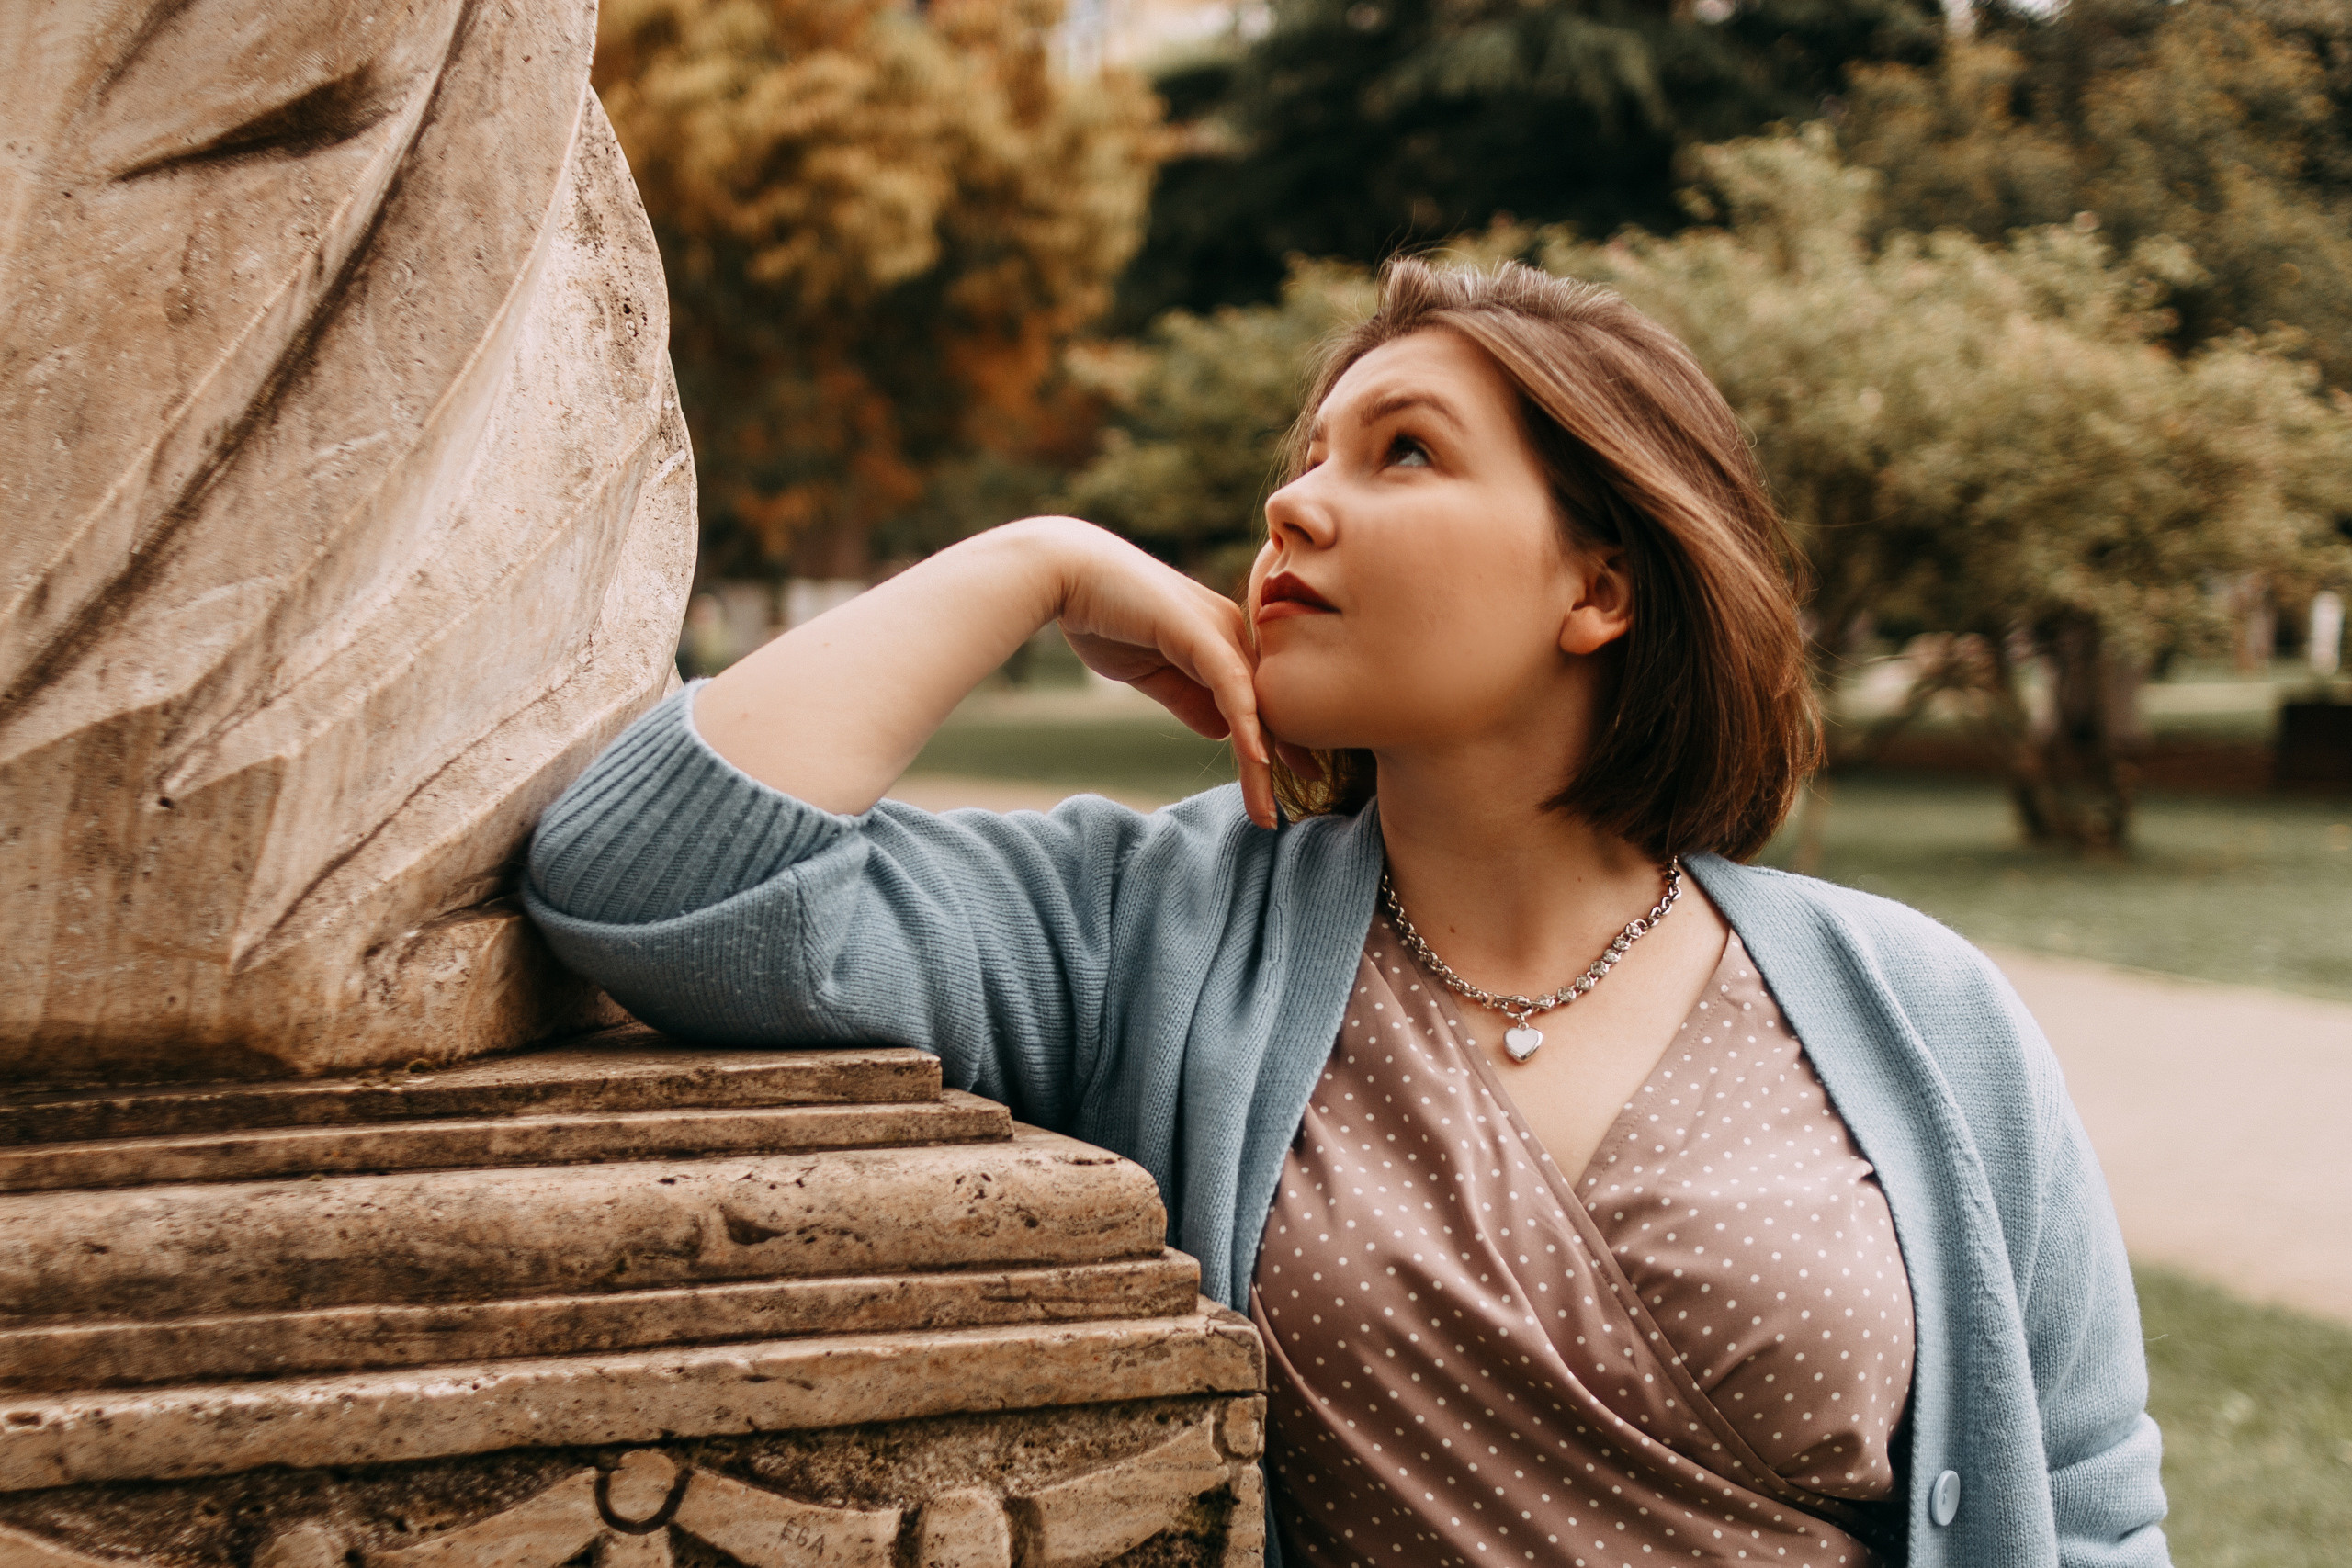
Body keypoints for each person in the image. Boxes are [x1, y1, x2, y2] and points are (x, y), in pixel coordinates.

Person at [525, 260, 2168, 1567]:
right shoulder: (1146, 930)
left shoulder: (1916, 1009)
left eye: (1402, 453)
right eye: (1300, 463)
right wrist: (1031, 564)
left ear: (1597, 586)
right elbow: (652, 875)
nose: (1292, 510)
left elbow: (2086, 1507)